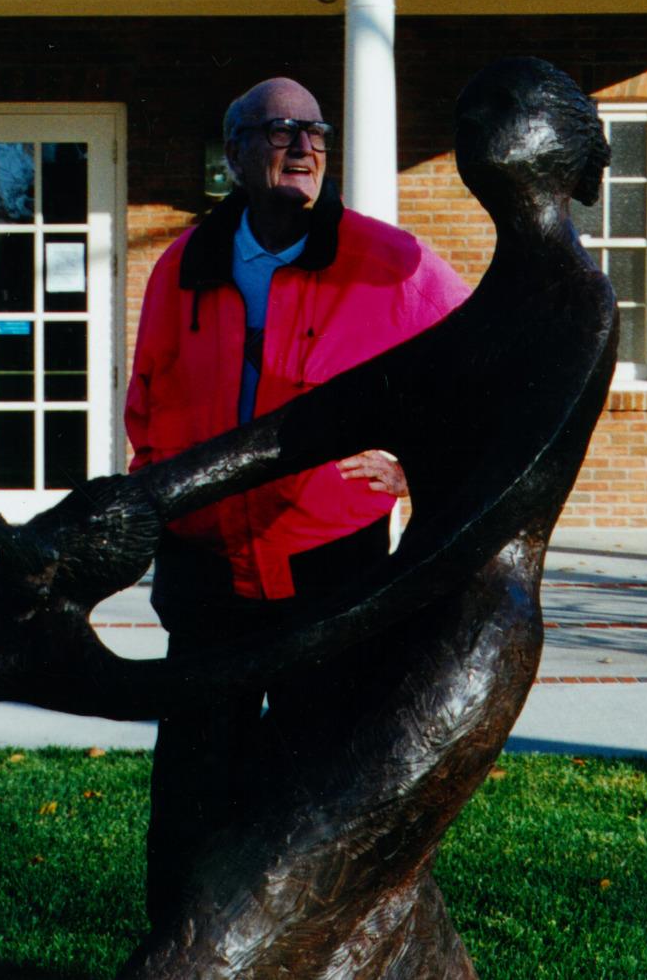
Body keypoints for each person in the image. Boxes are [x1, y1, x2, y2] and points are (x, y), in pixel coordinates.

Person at [124, 77, 471, 925]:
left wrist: (417, 467)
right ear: (234, 152)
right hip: (205, 572)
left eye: (315, 131)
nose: (304, 147)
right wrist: (164, 497)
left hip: (331, 567)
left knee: (323, 784)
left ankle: (319, 952)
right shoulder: (184, 263)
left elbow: (486, 376)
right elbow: (148, 401)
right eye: (279, 131)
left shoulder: (393, 264)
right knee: (195, 785)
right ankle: (182, 949)